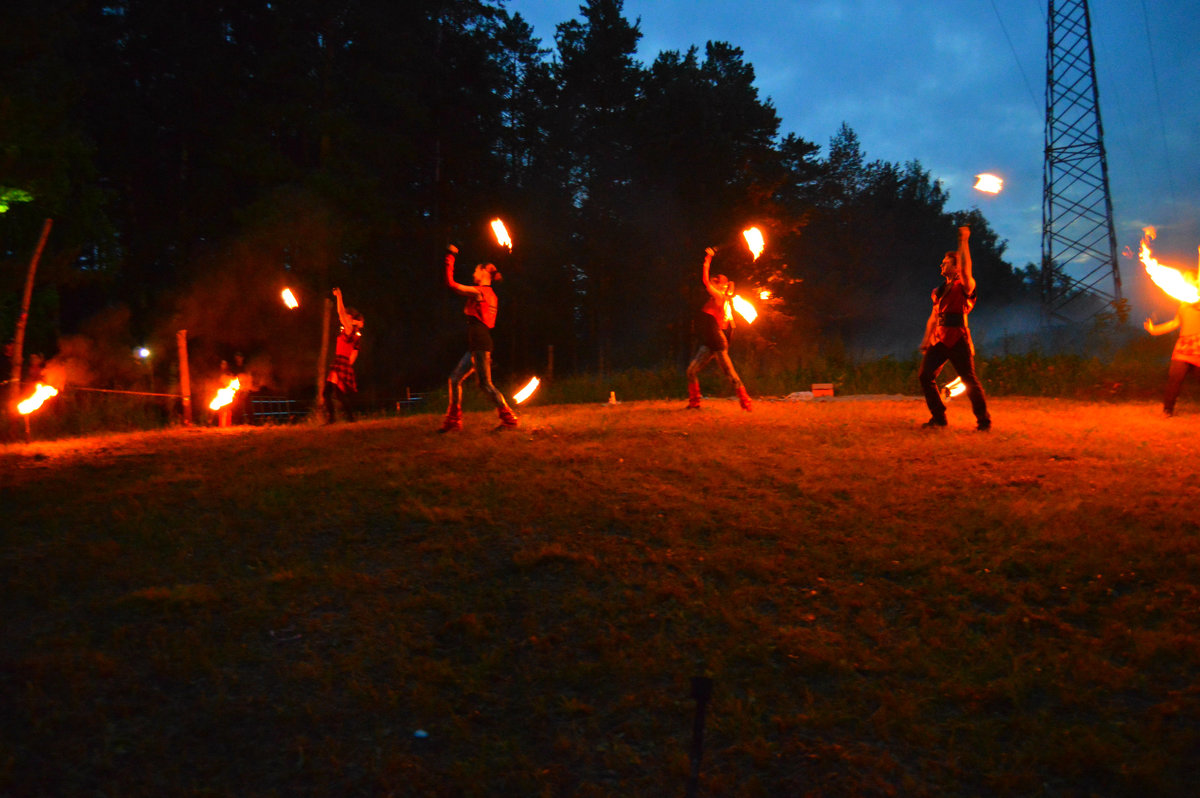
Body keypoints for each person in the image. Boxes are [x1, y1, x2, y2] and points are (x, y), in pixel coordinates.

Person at [439, 245, 520, 431]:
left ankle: (509, 420)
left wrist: (450, 256)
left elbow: (450, 284)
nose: (473, 272)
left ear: (484, 271)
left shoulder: (479, 292)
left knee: (485, 384)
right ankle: (453, 421)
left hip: (481, 344)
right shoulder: (490, 294)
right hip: (476, 344)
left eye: (476, 269)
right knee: (454, 379)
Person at [917, 226, 991, 430]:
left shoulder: (964, 286)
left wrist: (964, 241)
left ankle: (983, 421)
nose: (941, 264)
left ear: (956, 267)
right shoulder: (938, 291)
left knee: (969, 381)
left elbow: (967, 269)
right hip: (939, 339)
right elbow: (934, 317)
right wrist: (926, 339)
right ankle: (939, 418)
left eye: (946, 262)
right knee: (925, 376)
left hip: (958, 339)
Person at [685, 247, 752, 411]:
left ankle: (746, 403)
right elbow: (726, 324)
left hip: (718, 343)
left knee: (731, 376)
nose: (714, 280)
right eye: (715, 279)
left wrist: (708, 259)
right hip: (709, 342)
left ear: (721, 286)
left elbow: (705, 281)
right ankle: (695, 403)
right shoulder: (721, 300)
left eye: (717, 280)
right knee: (691, 371)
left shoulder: (719, 297)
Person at [1143, 270, 1200, 416]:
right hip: (1183, 347)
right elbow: (1174, 323)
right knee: (1175, 378)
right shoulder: (1183, 305)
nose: (1186, 280)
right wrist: (1154, 330)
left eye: (1189, 278)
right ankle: (1167, 410)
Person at [323, 287, 363, 424]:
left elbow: (340, 312)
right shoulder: (353, 334)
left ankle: (335, 420)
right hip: (342, 362)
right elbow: (355, 354)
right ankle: (349, 419)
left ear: (350, 318)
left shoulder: (349, 329)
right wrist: (347, 365)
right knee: (337, 394)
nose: (343, 316)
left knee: (328, 392)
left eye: (347, 315)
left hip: (340, 362)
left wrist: (339, 296)